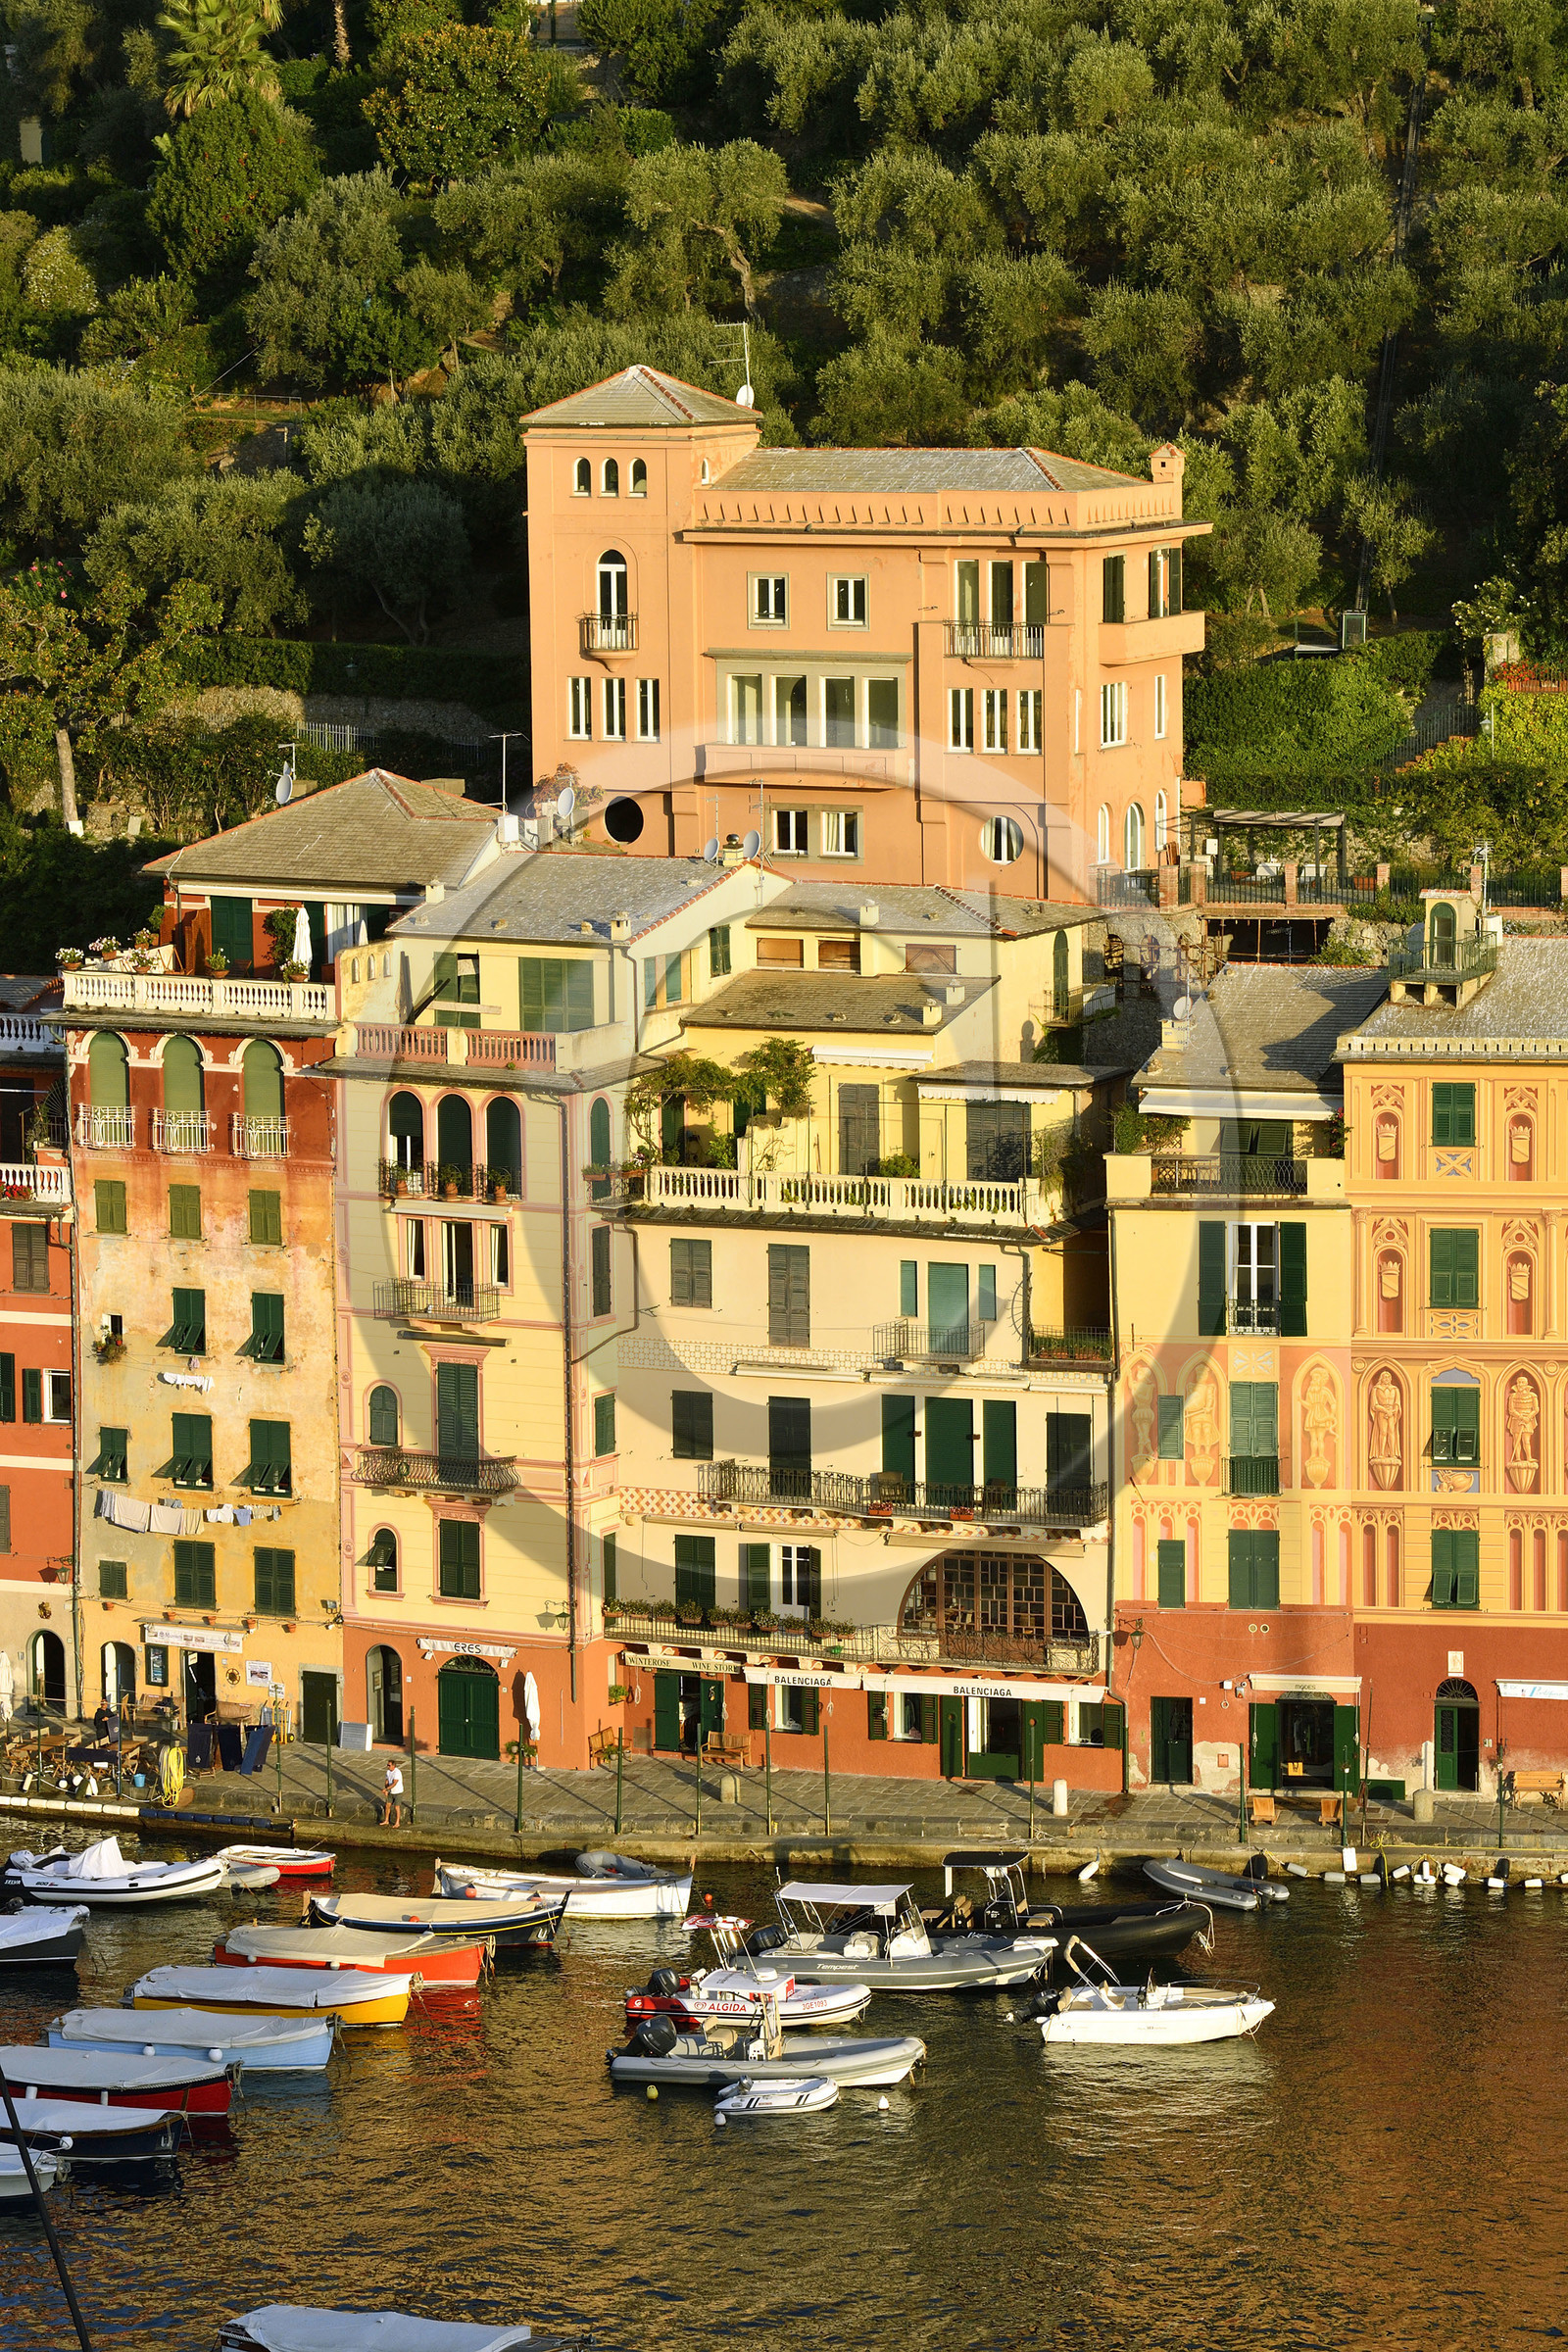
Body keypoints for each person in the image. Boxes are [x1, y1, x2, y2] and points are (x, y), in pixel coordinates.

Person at [378, 1758, 404, 1827]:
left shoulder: (397, 1772)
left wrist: (386, 1789)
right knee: (387, 1805)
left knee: (396, 1807)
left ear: (393, 1766)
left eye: (389, 1765)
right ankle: (386, 1820)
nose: (388, 1766)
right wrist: (386, 1789)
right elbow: (387, 1781)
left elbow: (394, 1783)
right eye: (387, 1765)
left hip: (398, 1792)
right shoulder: (388, 1772)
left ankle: (397, 1822)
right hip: (391, 1791)